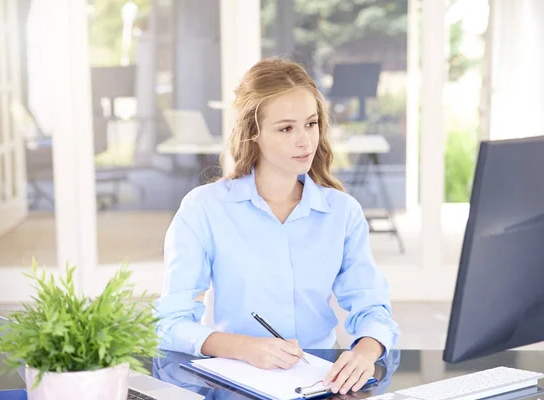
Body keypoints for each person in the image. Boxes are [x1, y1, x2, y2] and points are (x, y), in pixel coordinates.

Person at [154, 57, 400, 395]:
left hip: (318, 384)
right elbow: (169, 323)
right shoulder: (204, 209)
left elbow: (372, 307)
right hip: (237, 384)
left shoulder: (342, 212)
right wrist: (243, 347)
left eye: (311, 124)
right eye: (286, 128)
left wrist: (365, 350)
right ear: (252, 134)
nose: (305, 140)